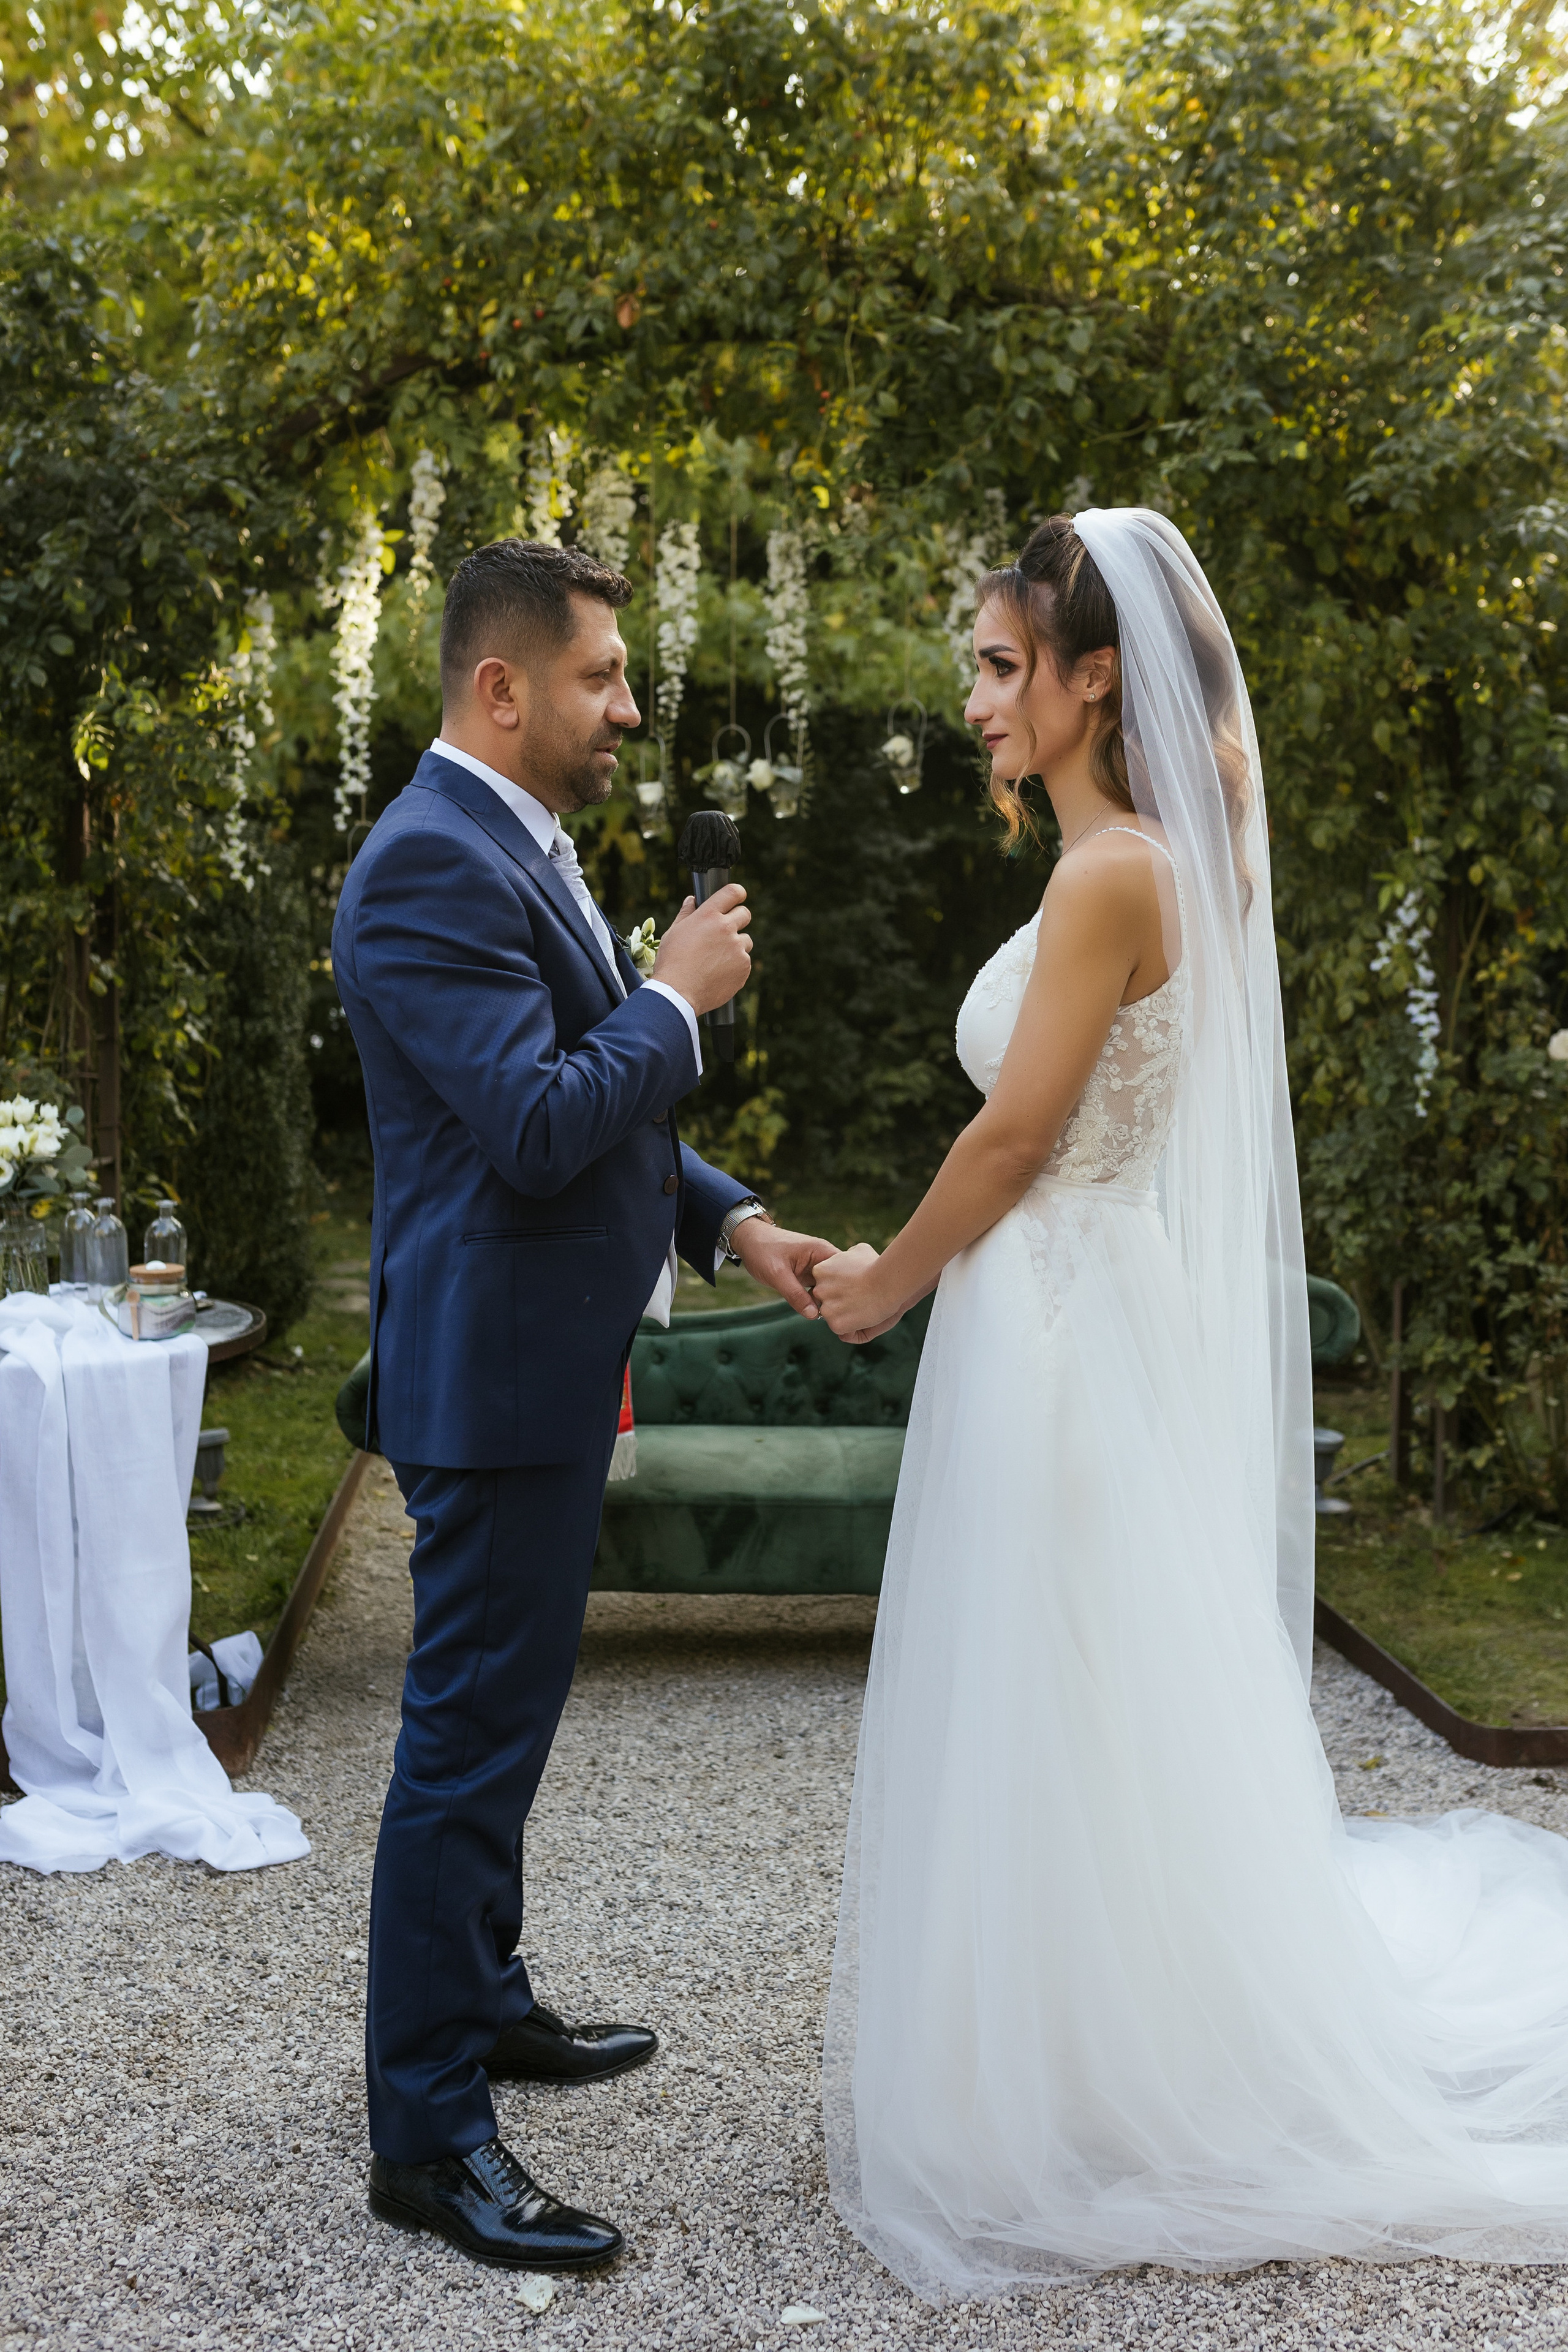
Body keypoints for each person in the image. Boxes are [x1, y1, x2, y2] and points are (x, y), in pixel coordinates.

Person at [811, 508, 1568, 2301]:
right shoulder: (1155, 855)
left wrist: (881, 1283)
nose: (978, 699)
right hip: (1092, 1298)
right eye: (980, 666)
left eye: (1003, 667)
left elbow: (1014, 1140)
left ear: (1094, 678)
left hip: (1058, 1317)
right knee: (1086, 1688)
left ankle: (1089, 2084)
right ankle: (1075, 2053)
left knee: (1056, 1685)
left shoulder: (1108, 877)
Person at [333, 538, 835, 2272]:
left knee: (512, 1722)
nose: (629, 705)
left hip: (551, 1363)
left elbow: (586, 1091)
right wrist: (676, 1000)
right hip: (489, 1381)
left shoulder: (511, 844)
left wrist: (731, 1215)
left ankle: (487, 2003)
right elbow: (546, 1115)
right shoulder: (421, 867)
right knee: (463, 1749)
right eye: (603, 676)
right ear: (504, 687)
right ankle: (429, 2135)